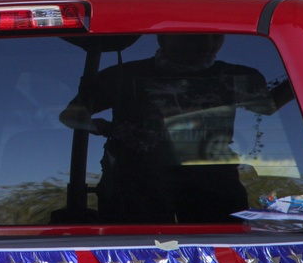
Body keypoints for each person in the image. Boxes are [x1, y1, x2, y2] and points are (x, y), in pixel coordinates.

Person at [59, 34, 290, 224]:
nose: (206, 43)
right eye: (191, 38)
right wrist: (105, 127)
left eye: (216, 37)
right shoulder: (121, 76)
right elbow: (71, 116)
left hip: (213, 186)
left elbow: (267, 107)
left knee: (223, 258)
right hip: (137, 186)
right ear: (163, 39)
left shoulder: (238, 77)